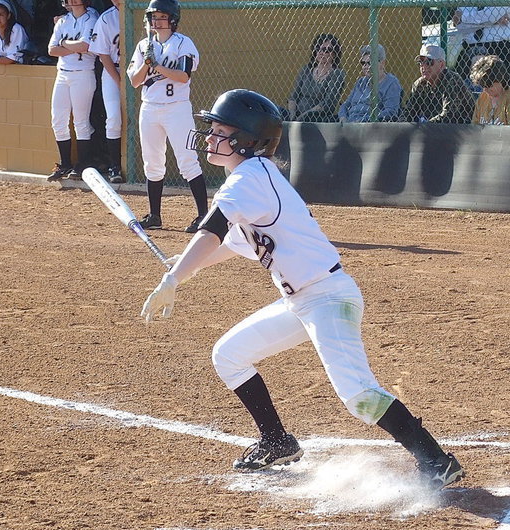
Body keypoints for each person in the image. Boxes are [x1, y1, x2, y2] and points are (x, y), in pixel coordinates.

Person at [140, 89, 465, 489]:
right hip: (302, 300)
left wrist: (173, 280)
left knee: (358, 395)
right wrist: (184, 265)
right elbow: (229, 245)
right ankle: (276, 441)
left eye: (219, 131)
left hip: (327, 298)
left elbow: (212, 229)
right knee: (229, 355)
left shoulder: (248, 179)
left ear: (246, 140)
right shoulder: (254, 179)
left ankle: (435, 460)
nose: (209, 138)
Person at [126, 0, 208, 233]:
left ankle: (203, 215)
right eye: (153, 17)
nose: (156, 21)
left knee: (187, 161)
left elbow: (183, 76)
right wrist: (147, 63)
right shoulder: (144, 45)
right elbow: (134, 81)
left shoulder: (184, 43)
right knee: (152, 162)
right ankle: (154, 215)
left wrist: (158, 66)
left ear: (173, 19)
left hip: (177, 107)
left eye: (162, 16)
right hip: (150, 107)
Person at [45, 0, 98, 182]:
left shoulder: (91, 17)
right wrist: (71, 47)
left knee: (81, 121)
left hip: (83, 73)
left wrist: (63, 43)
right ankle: (65, 163)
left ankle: (83, 164)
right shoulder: (62, 21)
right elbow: (51, 50)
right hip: (62, 74)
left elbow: (85, 46)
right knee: (58, 120)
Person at [89, 0, 125, 184]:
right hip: (113, 71)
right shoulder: (106, 19)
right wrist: (119, 82)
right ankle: (114, 166)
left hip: (140, 71)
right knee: (113, 119)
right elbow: (103, 55)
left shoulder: (145, 12)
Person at [401, 44, 474, 124]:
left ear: (441, 65)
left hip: (461, 129)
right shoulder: (419, 84)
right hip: (432, 129)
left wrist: (425, 126)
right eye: (421, 62)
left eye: (429, 62)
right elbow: (409, 112)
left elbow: (449, 115)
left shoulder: (452, 81)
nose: (423, 66)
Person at [287, 33, 345, 122]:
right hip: (296, 114)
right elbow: (293, 96)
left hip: (317, 116)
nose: (321, 52)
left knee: (309, 117)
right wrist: (292, 113)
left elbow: (327, 104)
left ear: (334, 54)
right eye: (318, 48)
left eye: (327, 50)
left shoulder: (337, 74)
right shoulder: (307, 69)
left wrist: (302, 117)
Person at [338, 44, 402, 123]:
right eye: (363, 63)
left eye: (370, 62)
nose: (366, 66)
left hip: (370, 126)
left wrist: (364, 120)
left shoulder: (391, 83)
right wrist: (343, 117)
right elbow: (345, 105)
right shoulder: (361, 82)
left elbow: (391, 112)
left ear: (382, 63)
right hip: (351, 123)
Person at [452, 6, 510, 78]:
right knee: (469, 85)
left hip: (498, 47)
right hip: (470, 48)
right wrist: (493, 22)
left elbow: (491, 16)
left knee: (499, 85)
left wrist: (463, 18)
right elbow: (459, 26)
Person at [470, 55, 510, 125]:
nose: (485, 90)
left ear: (501, 80)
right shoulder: (483, 98)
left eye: (489, 86)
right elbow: (475, 126)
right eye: (483, 86)